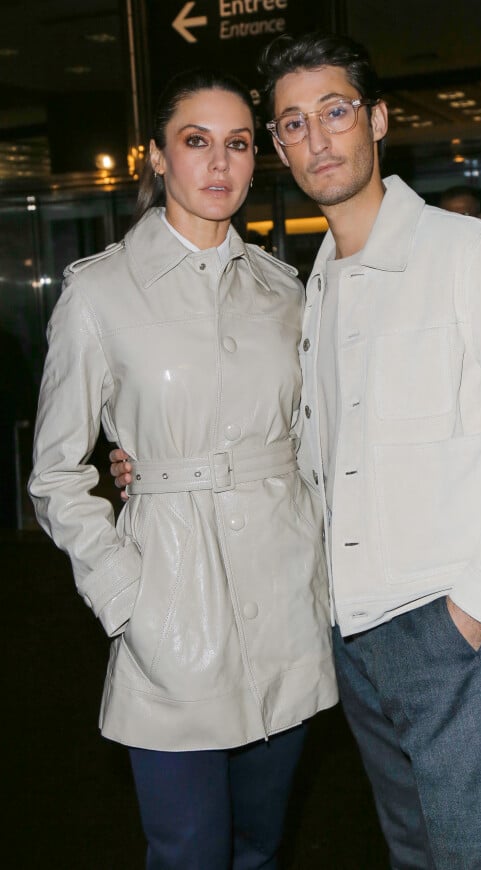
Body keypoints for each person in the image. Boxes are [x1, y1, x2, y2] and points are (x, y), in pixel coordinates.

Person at [110, 32, 481, 868]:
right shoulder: (312, 283)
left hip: (452, 630)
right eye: (292, 124)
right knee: (411, 853)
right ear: (280, 149)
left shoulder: (465, 255)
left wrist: (475, 611)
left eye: (334, 112)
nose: (316, 138)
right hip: (351, 638)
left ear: (378, 119)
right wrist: (155, 461)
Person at [28, 68, 338, 870]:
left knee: (261, 847)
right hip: (172, 610)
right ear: (157, 157)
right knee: (189, 854)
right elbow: (56, 473)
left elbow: (314, 445)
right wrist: (129, 599)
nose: (219, 164)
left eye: (238, 144)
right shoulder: (98, 294)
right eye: (195, 142)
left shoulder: (283, 288)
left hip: (286, 607)